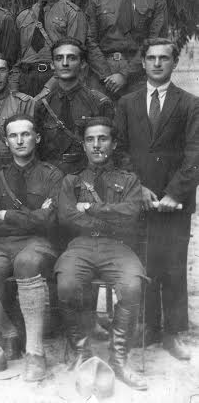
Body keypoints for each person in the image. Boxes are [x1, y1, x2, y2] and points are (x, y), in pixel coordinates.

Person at [115, 38, 199, 361]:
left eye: (164, 58)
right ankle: (148, 326)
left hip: (175, 202)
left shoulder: (190, 104)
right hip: (139, 198)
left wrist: (175, 193)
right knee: (144, 262)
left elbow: (194, 154)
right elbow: (120, 151)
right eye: (151, 58)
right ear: (143, 63)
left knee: (174, 265)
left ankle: (172, 333)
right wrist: (136, 188)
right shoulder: (127, 103)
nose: (157, 63)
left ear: (174, 62)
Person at [0, 114, 63, 381]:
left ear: (37, 138)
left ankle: (35, 352)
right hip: (1, 244)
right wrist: (33, 216)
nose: (20, 140)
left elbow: (50, 221)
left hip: (38, 243)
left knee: (26, 263)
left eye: (26, 134)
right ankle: (9, 333)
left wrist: (7, 215)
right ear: (6, 141)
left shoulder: (52, 174)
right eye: (13, 136)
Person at [55, 117, 147, 390]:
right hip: (80, 246)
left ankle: (119, 360)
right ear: (83, 145)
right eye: (90, 140)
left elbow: (131, 214)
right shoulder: (72, 181)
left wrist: (91, 208)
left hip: (118, 247)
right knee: (66, 284)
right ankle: (82, 353)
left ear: (114, 143)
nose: (96, 145)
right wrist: (108, 219)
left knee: (132, 286)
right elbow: (66, 217)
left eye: (103, 138)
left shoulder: (129, 180)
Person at [86, 0, 168, 100]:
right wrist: (106, 75)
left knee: (137, 115)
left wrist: (125, 75)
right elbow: (89, 40)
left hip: (138, 75)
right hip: (101, 75)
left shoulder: (156, 1)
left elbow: (155, 41)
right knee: (99, 115)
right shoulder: (98, 1)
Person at [14, 0, 103, 98]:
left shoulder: (72, 13)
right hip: (25, 81)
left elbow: (73, 58)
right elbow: (15, 60)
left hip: (58, 82)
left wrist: (46, 91)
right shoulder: (23, 16)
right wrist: (14, 92)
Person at [35, 38, 114, 175]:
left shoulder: (99, 102)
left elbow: (110, 150)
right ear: (52, 65)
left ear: (82, 63)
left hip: (88, 177)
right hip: (50, 177)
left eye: (72, 58)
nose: (65, 63)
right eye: (59, 58)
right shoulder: (42, 105)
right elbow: (37, 150)